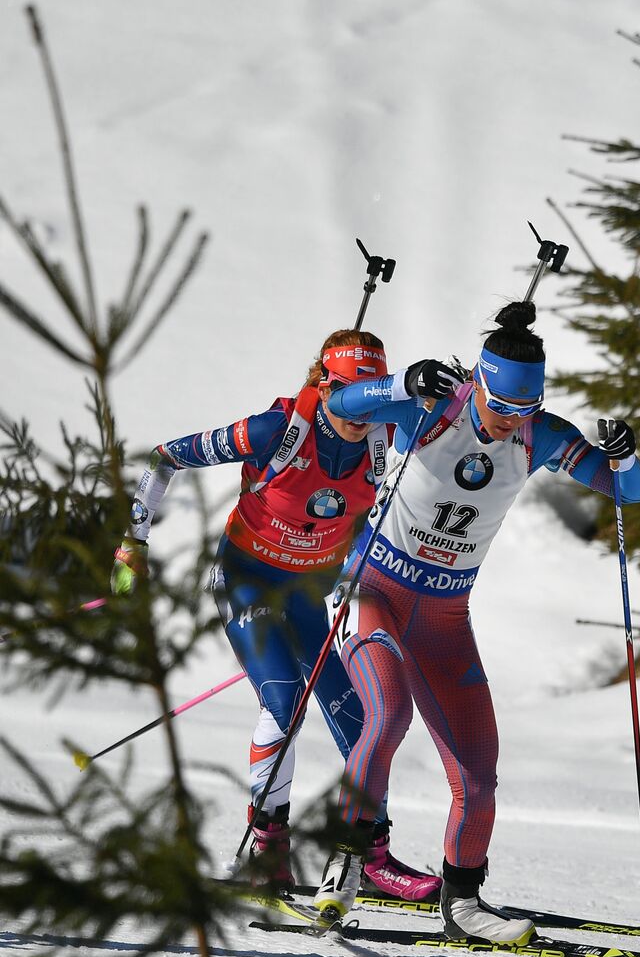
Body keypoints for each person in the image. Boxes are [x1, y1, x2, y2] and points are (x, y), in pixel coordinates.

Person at [312, 301, 640, 943]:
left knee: (477, 770)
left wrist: (626, 458)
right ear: (478, 384)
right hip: (373, 590)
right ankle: (344, 865)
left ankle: (463, 903)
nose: (510, 424)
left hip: (445, 614)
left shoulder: (539, 434)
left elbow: (628, 494)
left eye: (526, 411)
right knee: (387, 718)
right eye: (501, 408)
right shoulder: (432, 407)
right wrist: (400, 382)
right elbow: (341, 407)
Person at [111, 329, 441, 902]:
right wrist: (132, 544)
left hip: (310, 593)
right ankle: (270, 848)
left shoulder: (386, 436)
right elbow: (165, 458)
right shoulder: (277, 431)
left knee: (363, 717)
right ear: (326, 385)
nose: (365, 412)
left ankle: (371, 856)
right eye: (353, 394)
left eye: (375, 395)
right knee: (284, 700)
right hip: (248, 582)